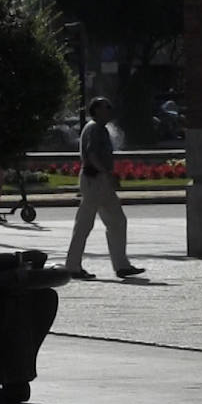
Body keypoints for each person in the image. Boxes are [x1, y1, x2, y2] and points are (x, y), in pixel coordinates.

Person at [61, 97, 145, 280]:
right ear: (97, 110)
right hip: (94, 179)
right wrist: (107, 174)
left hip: (100, 180)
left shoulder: (99, 129)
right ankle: (73, 266)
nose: (110, 110)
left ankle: (121, 265)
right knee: (85, 224)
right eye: (106, 107)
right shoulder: (94, 129)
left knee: (117, 221)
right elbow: (91, 155)